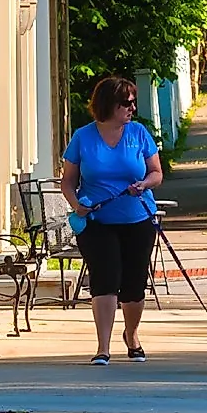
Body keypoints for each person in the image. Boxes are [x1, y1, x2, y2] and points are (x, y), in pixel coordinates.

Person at [60, 75, 164, 364]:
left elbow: (156, 173)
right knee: (104, 278)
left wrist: (143, 184)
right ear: (108, 105)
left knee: (134, 283)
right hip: (97, 222)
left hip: (137, 218)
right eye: (126, 103)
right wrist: (76, 204)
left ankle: (131, 335)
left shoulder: (139, 133)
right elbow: (67, 181)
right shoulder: (83, 137)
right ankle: (102, 347)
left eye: (133, 103)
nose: (132, 108)